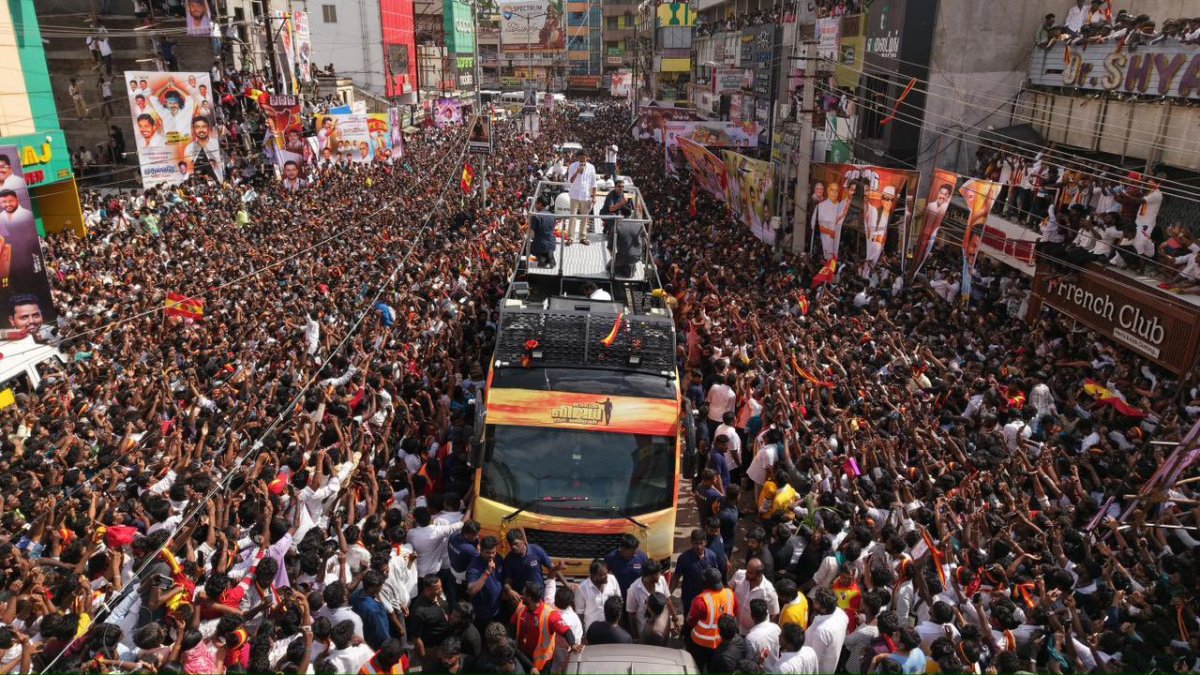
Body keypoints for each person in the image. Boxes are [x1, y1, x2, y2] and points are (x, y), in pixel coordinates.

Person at [512, 581, 581, 673]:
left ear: (529, 598)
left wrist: (573, 644)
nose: (521, 596)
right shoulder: (521, 607)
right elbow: (512, 627)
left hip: (542, 664)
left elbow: (566, 631)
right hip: (523, 658)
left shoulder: (550, 615)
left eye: (524, 594)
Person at [686, 567, 736, 671]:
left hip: (701, 643)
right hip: (722, 642)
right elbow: (735, 612)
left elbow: (691, 621)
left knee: (697, 667)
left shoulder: (701, 600)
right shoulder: (730, 593)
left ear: (705, 583)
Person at [574, 559, 620, 634]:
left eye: (606, 573)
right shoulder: (582, 588)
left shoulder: (612, 580)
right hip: (592, 632)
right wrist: (583, 634)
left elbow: (619, 603)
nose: (606, 577)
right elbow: (579, 613)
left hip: (611, 630)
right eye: (602, 575)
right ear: (593, 575)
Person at [565, 149, 596, 245]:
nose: (582, 160)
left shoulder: (591, 167)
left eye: (584, 158)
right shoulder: (573, 166)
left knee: (585, 217)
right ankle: (570, 237)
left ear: (587, 158)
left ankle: (582, 237)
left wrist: (594, 196)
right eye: (580, 158)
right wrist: (577, 172)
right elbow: (570, 180)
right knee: (572, 216)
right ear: (578, 158)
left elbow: (593, 183)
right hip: (574, 194)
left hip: (585, 195)